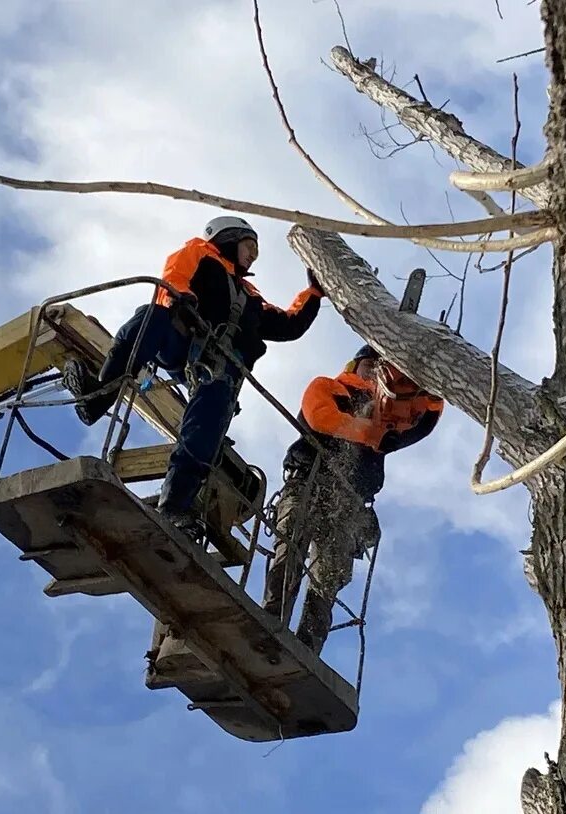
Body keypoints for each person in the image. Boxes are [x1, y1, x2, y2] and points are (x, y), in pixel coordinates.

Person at [63, 215, 325, 533]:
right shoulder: (201, 254)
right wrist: (181, 299)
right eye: (249, 244)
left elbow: (289, 324)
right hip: (181, 337)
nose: (254, 253)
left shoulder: (252, 297)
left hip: (218, 367)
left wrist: (313, 293)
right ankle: (96, 397)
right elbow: (175, 278)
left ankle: (174, 506)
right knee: (150, 317)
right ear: (228, 238)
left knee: (207, 424)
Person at [261, 345, 443, 655]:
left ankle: (306, 648)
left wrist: (431, 381)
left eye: (380, 366)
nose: (375, 371)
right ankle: (269, 621)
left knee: (329, 575)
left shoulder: (390, 413)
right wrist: (370, 433)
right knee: (290, 544)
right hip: (309, 482)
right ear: (355, 365)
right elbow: (321, 417)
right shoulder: (330, 387)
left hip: (350, 503)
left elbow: (426, 416)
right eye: (370, 364)